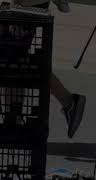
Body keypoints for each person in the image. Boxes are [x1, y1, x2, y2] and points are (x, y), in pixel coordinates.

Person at [0, 0, 86, 138]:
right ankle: (13, 117)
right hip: (20, 11)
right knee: (15, 63)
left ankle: (14, 117)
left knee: (13, 62)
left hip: (22, 11)